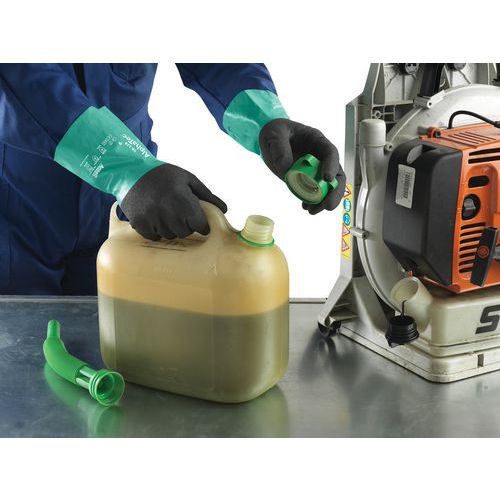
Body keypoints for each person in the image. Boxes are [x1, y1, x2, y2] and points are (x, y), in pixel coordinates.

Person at [0, 63, 345, 295]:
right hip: (19, 203)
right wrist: (126, 169)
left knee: (121, 355)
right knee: (18, 357)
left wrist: (265, 121)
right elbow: (19, 75)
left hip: (130, 204)